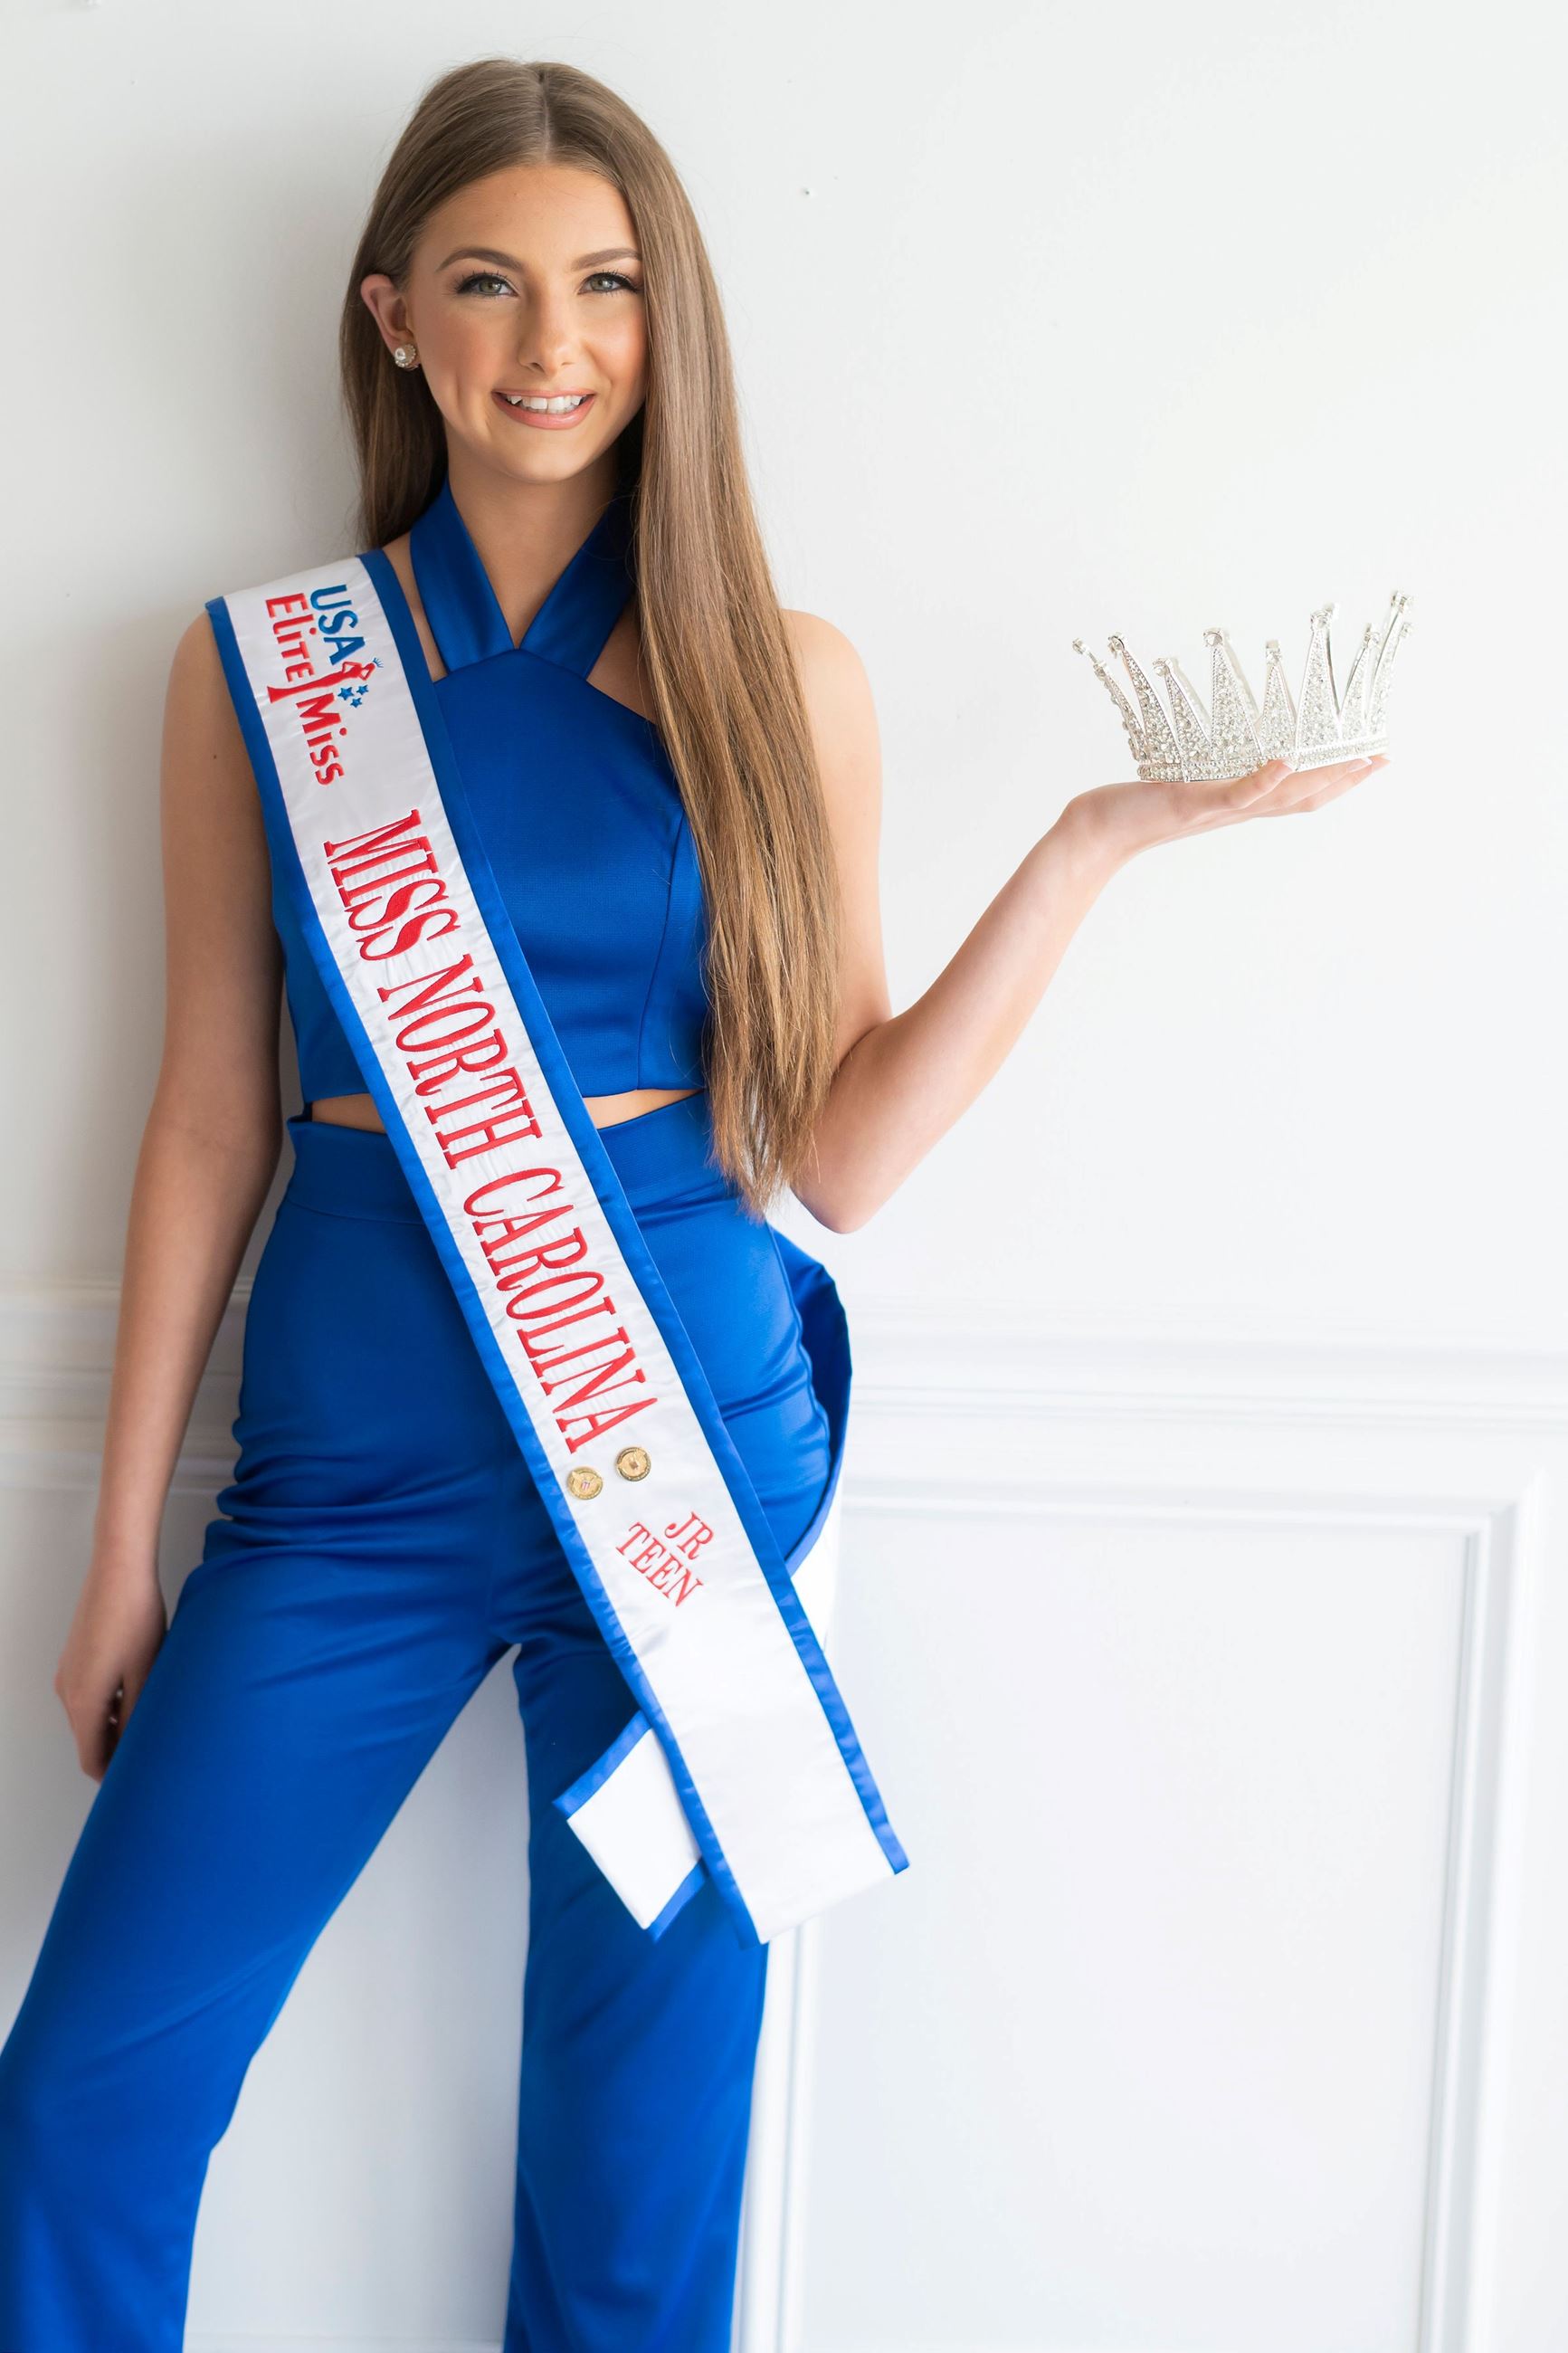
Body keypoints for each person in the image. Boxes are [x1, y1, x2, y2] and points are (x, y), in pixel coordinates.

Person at [0, 52, 1390, 2353]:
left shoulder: (774, 679)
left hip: (674, 1451)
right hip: (343, 1481)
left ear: (671, 323)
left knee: (642, 2183)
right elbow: (208, 1124)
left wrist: (1087, 848)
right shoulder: (267, 677)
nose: (556, 340)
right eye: (491, 282)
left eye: (610, 283)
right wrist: (119, 1541)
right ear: (395, 323)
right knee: (84, 2099)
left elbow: (829, 1146)